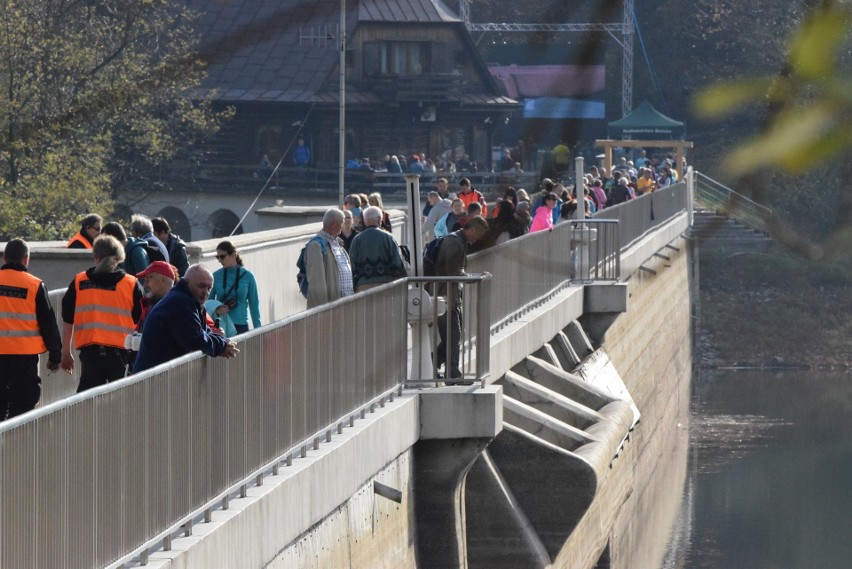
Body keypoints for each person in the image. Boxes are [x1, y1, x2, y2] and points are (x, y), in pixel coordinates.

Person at [61, 235, 144, 391]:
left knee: (87, 400)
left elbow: (67, 317)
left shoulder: (79, 282)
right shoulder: (131, 284)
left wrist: (66, 351)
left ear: (95, 257)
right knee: (119, 398)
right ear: (119, 258)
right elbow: (141, 320)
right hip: (121, 354)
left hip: (90, 354)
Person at [132, 265, 239, 373]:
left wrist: (220, 341)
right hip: (153, 379)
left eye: (209, 288)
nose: (205, 291)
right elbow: (195, 341)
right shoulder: (180, 302)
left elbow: (203, 332)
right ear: (187, 283)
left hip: (159, 376)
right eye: (201, 286)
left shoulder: (190, 301)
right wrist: (222, 345)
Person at [0, 239, 62, 420]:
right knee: (23, 409)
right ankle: (16, 446)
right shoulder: (35, 285)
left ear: (4, 258)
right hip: (24, 360)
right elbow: (48, 323)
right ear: (26, 259)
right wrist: (55, 356)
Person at [432, 215, 488, 384]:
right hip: (445, 297)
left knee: (454, 335)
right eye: (477, 235)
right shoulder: (455, 243)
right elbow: (453, 273)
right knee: (452, 336)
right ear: (471, 230)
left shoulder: (458, 241)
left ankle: (431, 364)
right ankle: (452, 374)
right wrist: (475, 277)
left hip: (448, 296)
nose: (477, 239)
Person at [349, 206, 407, 292]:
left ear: (364, 220)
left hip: (363, 286)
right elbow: (397, 264)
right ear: (379, 219)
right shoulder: (388, 237)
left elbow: (351, 266)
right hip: (386, 285)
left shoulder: (356, 240)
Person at [305, 209, 353, 308]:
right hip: (331, 310)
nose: (343, 226)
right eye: (342, 223)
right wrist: (324, 312)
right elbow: (317, 284)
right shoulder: (316, 246)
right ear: (334, 224)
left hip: (345, 306)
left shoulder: (338, 244)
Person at [210, 241, 261, 335]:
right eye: (218, 257)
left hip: (240, 326)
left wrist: (259, 331)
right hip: (221, 326)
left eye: (222, 257)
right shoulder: (215, 276)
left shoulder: (248, 276)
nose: (219, 260)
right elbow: (207, 303)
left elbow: (254, 305)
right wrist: (216, 310)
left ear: (233, 255)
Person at [135, 261, 179, 333]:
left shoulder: (178, 309)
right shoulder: (148, 308)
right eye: (145, 279)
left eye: (150, 277)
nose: (145, 285)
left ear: (163, 281)